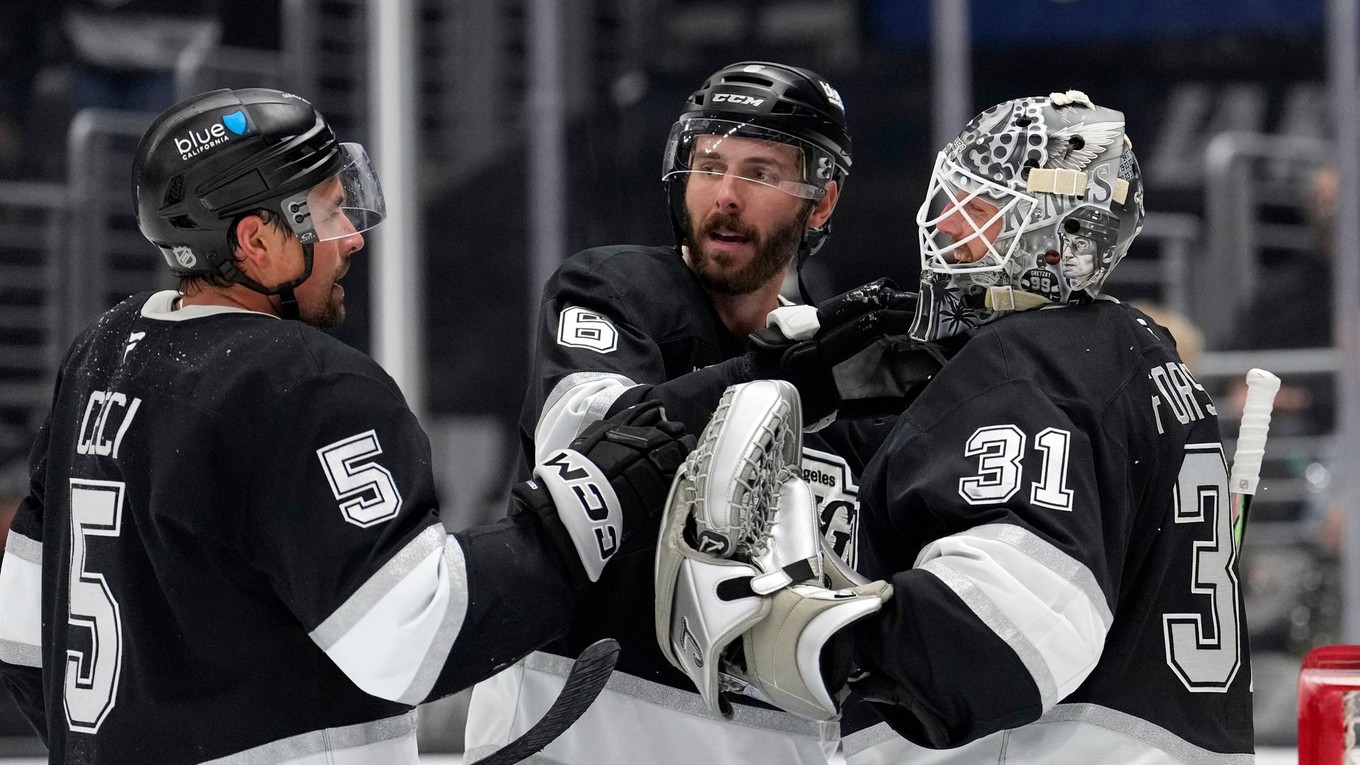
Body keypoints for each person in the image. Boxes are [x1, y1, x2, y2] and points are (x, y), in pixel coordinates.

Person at [0, 87, 692, 764]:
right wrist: (583, 506)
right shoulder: (302, 381)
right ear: (255, 239)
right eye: (329, 213)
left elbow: (25, 642)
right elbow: (417, 635)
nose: (353, 237)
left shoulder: (102, 355)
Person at [665, 91, 1255, 764]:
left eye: (975, 206)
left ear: (1048, 230)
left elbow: (1018, 621)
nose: (942, 224)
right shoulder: (1143, 359)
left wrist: (808, 632)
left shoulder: (1028, 360)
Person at [464, 61, 934, 765]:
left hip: (768, 739)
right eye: (708, 164)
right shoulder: (613, 288)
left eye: (762, 172)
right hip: (591, 723)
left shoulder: (852, 368)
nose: (726, 194)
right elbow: (587, 454)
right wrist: (770, 376)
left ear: (823, 201)